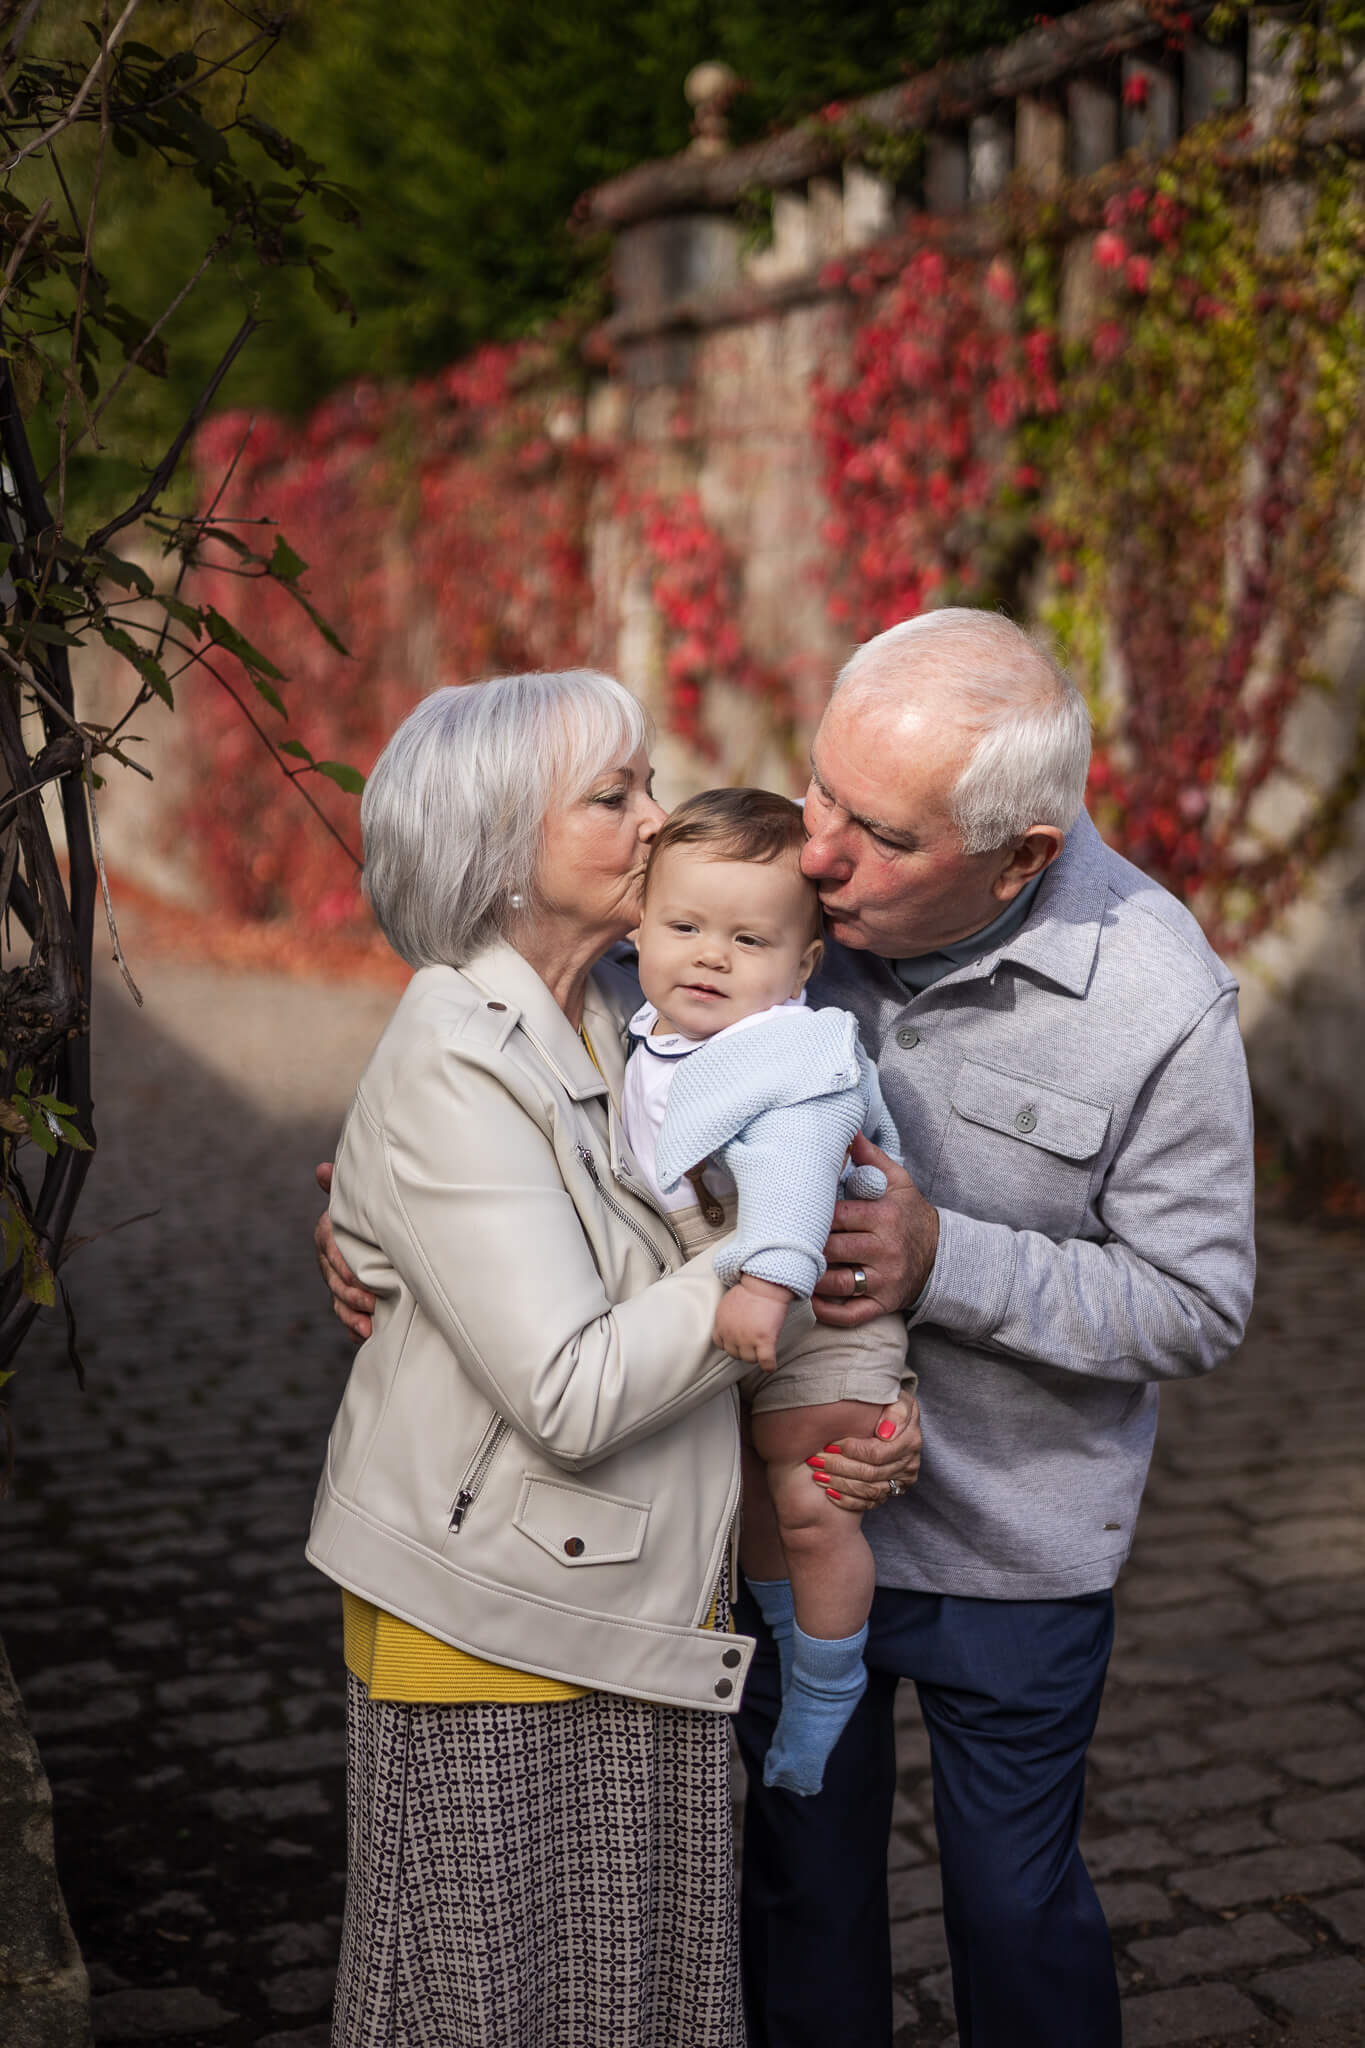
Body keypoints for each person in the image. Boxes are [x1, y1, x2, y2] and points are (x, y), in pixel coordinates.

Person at [317, 608, 1255, 2048]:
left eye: (877, 835)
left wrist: (942, 1259)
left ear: (1018, 857)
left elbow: (1195, 1300)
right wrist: (374, 1220)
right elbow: (524, 1074)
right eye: (821, 791)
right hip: (746, 1513)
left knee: (1015, 1907)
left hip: (1013, 1546)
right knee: (796, 1896)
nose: (819, 854)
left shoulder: (1158, 998)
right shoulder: (738, 901)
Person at [305, 667, 920, 2048]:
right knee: (485, 2009)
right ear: (497, 847)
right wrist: (780, 1241)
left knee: (628, 2004)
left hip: (633, 1598)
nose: (655, 819)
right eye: (611, 795)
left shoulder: (620, 1012)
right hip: (496, 1625)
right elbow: (575, 1386)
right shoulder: (460, 1050)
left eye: (647, 784)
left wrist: (870, 1387)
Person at [623, 785, 914, 1796]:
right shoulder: (646, 1032)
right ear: (637, 925)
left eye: (748, 940)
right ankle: (794, 1653)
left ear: (802, 965)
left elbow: (794, 1168)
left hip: (811, 1307)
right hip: (732, 1316)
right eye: (685, 927)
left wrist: (765, 1279)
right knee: (748, 1500)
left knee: (812, 1497)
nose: (710, 956)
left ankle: (828, 1690)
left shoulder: (791, 1049)